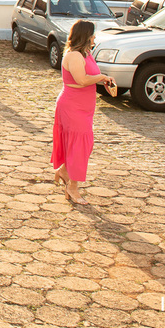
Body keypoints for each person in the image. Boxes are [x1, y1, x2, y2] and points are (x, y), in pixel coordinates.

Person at [50, 19, 115, 204]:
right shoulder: (73, 56)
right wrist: (101, 77)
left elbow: (90, 76)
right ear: (85, 36)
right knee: (80, 146)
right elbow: (82, 80)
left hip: (84, 107)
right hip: (72, 106)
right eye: (92, 34)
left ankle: (64, 171)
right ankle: (72, 187)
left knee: (81, 145)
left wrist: (105, 80)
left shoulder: (86, 53)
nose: (95, 37)